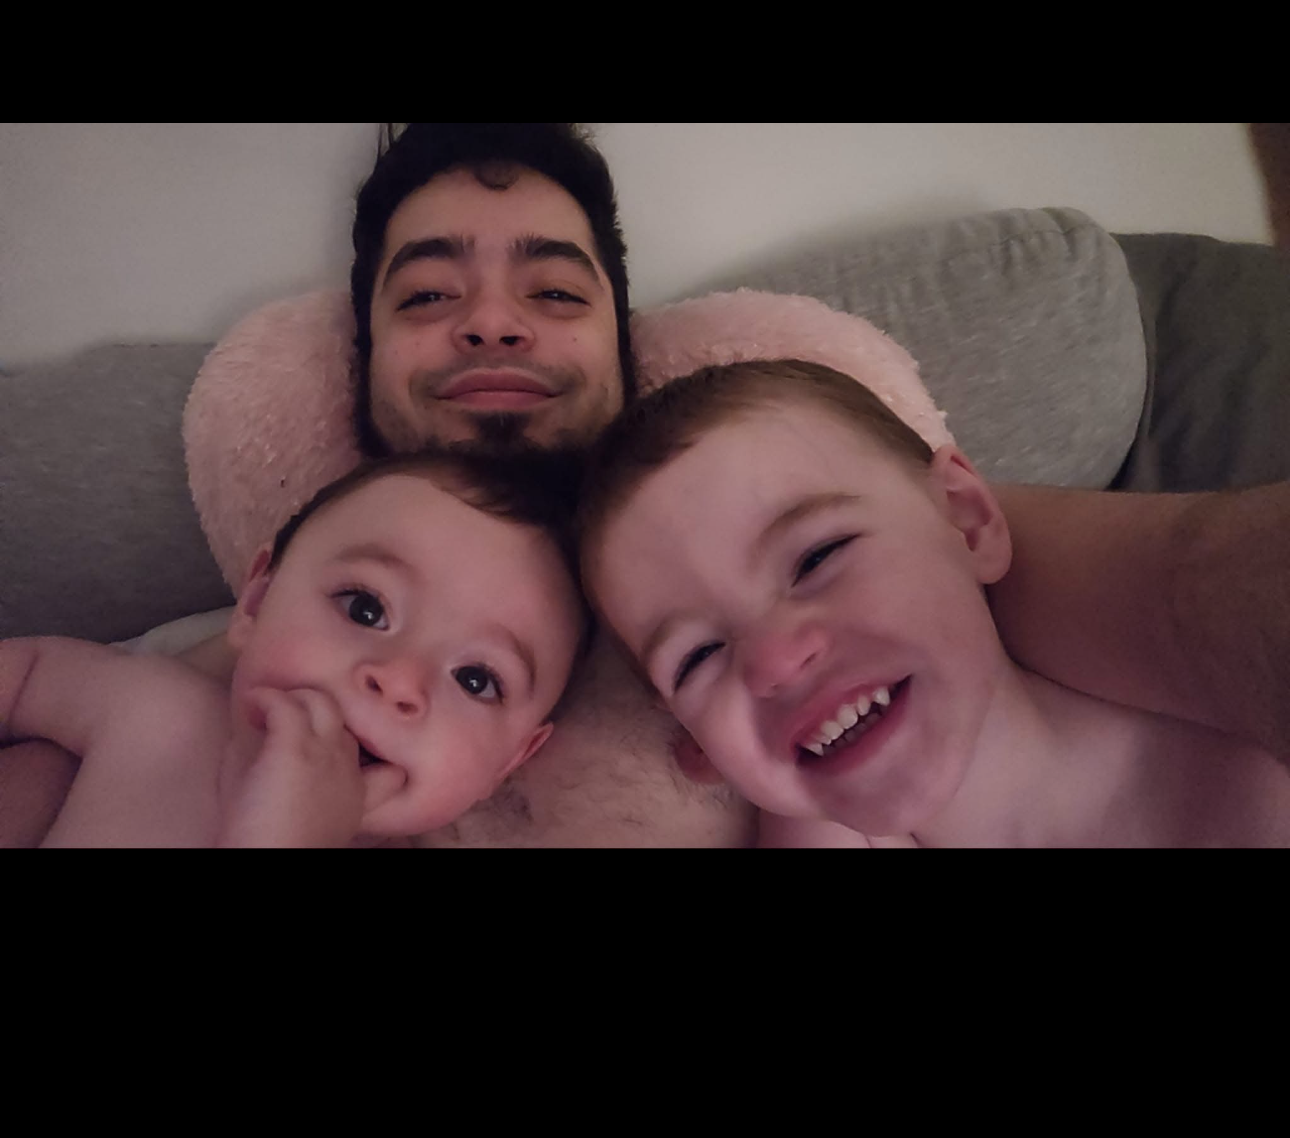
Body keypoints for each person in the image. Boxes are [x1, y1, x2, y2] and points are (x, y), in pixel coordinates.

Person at [3, 120, 1289, 848]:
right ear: (362, 356)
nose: (493, 321)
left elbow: (1182, 588)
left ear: (629, 348)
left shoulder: (869, 547)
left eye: (555, 292)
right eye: (429, 294)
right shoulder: (211, 672)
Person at [576, 360, 1290, 848]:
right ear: (699, 743)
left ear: (969, 520)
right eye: (698, 657)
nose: (773, 661)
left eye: (817, 558)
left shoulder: (1240, 724)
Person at [0, 452, 590, 848]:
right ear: (257, 603)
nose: (397, 679)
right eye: (365, 608)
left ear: (511, 760)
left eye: (476, 679)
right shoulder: (160, 712)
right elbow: (26, 675)